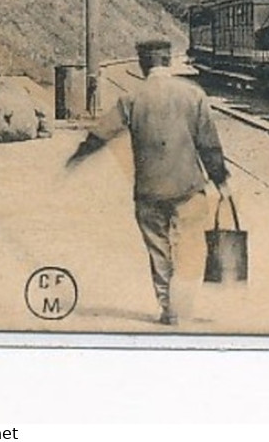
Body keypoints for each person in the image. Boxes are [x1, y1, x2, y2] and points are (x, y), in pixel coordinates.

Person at [65, 39, 230, 325]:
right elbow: (209, 145)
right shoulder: (193, 95)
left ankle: (168, 309)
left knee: (158, 250)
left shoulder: (131, 98)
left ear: (143, 64)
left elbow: (100, 135)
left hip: (148, 191)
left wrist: (77, 158)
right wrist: (220, 178)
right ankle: (184, 305)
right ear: (168, 61)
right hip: (188, 189)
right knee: (189, 247)